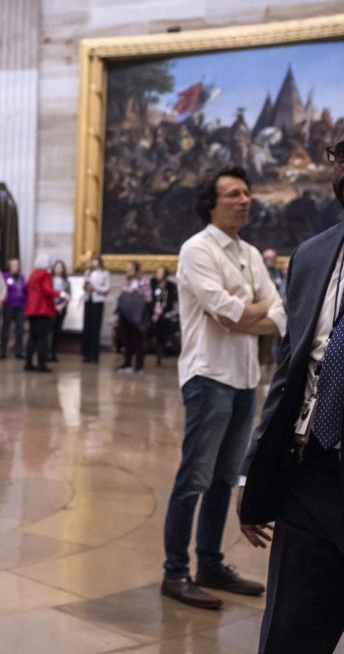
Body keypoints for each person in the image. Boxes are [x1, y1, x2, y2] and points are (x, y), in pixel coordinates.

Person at [161, 166, 285, 610]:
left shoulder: (251, 254)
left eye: (248, 192)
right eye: (234, 193)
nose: (245, 199)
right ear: (210, 204)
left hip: (245, 378)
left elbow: (279, 314)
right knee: (194, 476)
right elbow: (220, 311)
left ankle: (210, 563)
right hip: (208, 375)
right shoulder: (196, 250)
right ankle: (175, 571)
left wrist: (246, 315)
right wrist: (252, 316)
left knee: (224, 479)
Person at [239, 149, 344, 651]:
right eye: (341, 156)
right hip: (311, 479)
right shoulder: (313, 255)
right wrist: (255, 473)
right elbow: (290, 373)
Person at [24, 252, 59, 372]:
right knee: (42, 338)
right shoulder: (45, 274)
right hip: (42, 310)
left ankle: (28, 363)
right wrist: (61, 294)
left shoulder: (33, 274)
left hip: (32, 310)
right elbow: (47, 290)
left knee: (32, 337)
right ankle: (41, 364)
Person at [116, 260, 150, 374]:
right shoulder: (126, 281)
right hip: (125, 313)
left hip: (137, 313)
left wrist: (134, 294)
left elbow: (148, 297)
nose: (127, 270)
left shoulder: (143, 280)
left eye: (129, 267)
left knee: (138, 340)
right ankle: (127, 363)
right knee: (126, 339)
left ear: (135, 269)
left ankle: (139, 365)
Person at [258, 247, 285, 366]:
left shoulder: (279, 272)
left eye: (272, 258)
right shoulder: (260, 272)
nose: (270, 260)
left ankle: (276, 365)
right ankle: (265, 365)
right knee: (265, 341)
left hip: (280, 309)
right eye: (267, 258)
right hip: (265, 312)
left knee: (279, 341)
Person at [81, 255, 110, 363]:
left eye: (96, 261)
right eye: (93, 261)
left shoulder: (105, 273)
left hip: (98, 301)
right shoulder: (88, 272)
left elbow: (106, 288)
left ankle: (94, 354)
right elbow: (84, 285)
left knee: (95, 327)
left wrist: (95, 287)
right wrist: (86, 286)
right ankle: (86, 353)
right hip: (89, 300)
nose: (94, 263)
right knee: (87, 326)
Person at [150, 266, 178, 366]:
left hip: (166, 314)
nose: (158, 274)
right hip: (154, 313)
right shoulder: (153, 284)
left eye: (160, 272)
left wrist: (169, 313)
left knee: (164, 334)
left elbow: (174, 300)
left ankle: (162, 351)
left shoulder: (170, 286)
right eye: (157, 272)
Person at [0, 258, 26, 359]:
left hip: (20, 306)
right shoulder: (5, 276)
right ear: (9, 266)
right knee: (6, 328)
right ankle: (3, 351)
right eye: (13, 265)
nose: (15, 267)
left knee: (19, 329)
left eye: (17, 265)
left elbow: (25, 290)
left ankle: (19, 351)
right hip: (8, 305)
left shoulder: (21, 277)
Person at [49, 260, 71, 361]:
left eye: (60, 267)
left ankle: (54, 352)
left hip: (61, 309)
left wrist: (61, 306)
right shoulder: (49, 279)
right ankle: (47, 352)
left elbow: (68, 296)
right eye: (57, 267)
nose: (58, 269)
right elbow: (49, 293)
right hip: (50, 308)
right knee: (49, 331)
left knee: (57, 331)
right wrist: (54, 305)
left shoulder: (66, 282)